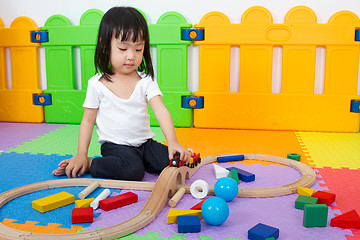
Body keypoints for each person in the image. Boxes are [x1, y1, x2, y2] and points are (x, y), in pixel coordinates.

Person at [52, 6, 192, 180]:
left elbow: (161, 111)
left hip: (144, 144)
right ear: (105, 46)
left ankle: (167, 155)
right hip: (115, 147)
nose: (131, 56)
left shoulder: (146, 80)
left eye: (138, 49)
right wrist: (82, 154)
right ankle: (91, 163)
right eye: (123, 49)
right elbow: (87, 121)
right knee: (132, 171)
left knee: (177, 161)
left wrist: (173, 142)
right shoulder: (97, 84)